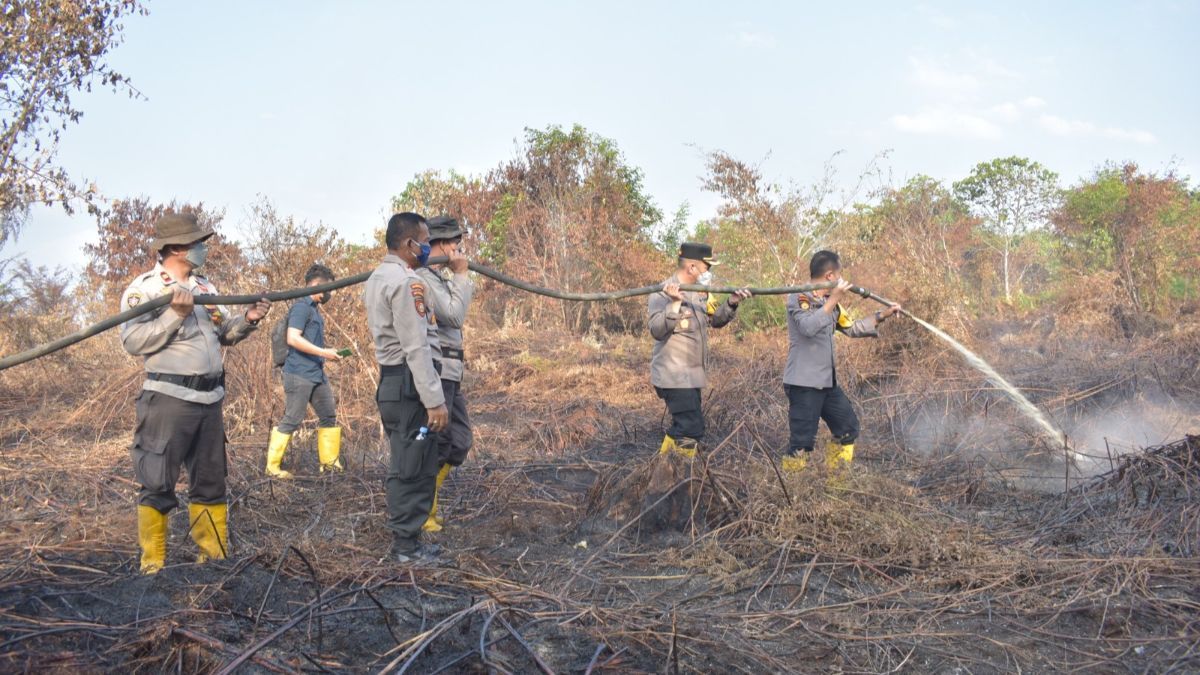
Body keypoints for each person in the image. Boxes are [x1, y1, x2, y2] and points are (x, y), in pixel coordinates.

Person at [119, 213, 271, 574]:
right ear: (176, 248)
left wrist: (248, 320)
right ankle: (152, 567)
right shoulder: (147, 289)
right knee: (157, 480)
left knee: (210, 481)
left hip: (209, 400)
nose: (203, 248)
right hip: (169, 400)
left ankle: (213, 561)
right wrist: (173, 315)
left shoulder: (205, 288)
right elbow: (133, 341)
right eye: (197, 243)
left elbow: (224, 333)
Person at [364, 212, 449, 563]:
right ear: (409, 243)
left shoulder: (379, 277)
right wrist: (434, 400)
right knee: (411, 464)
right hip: (408, 384)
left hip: (395, 381)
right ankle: (406, 548)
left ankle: (410, 541)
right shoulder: (404, 283)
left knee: (411, 459)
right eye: (424, 241)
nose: (427, 247)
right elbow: (416, 346)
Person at [781, 250, 901, 472]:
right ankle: (792, 494)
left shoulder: (831, 303)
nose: (842, 279)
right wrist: (834, 298)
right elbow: (808, 328)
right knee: (801, 444)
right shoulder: (799, 298)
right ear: (829, 276)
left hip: (827, 383)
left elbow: (852, 328)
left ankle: (836, 481)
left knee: (847, 429)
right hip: (803, 383)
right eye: (839, 275)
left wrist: (882, 315)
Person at [647, 242, 752, 457]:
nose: (708, 273)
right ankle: (681, 474)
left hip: (693, 376)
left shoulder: (701, 294)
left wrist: (731, 303)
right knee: (691, 429)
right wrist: (675, 304)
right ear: (692, 267)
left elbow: (714, 321)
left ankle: (664, 466)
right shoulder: (662, 292)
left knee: (683, 427)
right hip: (673, 375)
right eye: (707, 268)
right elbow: (657, 330)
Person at [414, 216, 474, 533]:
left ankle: (427, 504)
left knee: (459, 441)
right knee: (436, 444)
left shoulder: (441, 278)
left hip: (453, 370)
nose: (457, 250)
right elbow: (453, 315)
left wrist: (457, 278)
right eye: (454, 244)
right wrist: (462, 275)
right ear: (440, 244)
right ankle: (425, 513)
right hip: (440, 371)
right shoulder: (423, 277)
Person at [265, 263, 345, 478]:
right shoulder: (301, 307)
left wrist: (327, 354)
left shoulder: (314, 311)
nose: (330, 293)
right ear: (316, 285)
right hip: (298, 373)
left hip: (316, 374)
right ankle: (272, 468)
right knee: (293, 418)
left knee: (328, 415)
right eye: (328, 287)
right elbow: (293, 338)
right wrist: (324, 352)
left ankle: (329, 465)